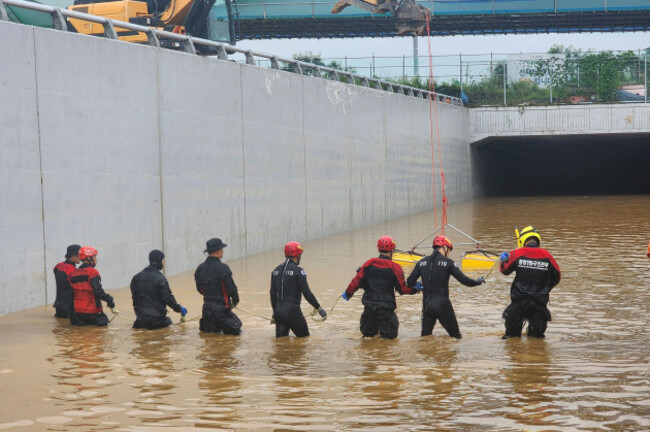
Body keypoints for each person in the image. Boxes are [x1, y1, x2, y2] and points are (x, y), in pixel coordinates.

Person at [406, 235, 485, 339]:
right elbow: (464, 280)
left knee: (425, 339)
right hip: (443, 305)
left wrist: (418, 286)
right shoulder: (448, 263)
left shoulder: (421, 262)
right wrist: (477, 282)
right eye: (449, 250)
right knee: (457, 338)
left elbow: (409, 281)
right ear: (444, 247)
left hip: (427, 307)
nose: (449, 253)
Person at [341, 236, 418, 339]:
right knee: (389, 342)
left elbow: (356, 282)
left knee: (368, 339)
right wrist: (416, 289)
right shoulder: (395, 267)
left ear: (378, 249)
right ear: (392, 250)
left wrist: (347, 294)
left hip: (369, 310)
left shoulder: (369, 263)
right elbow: (403, 290)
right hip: (386, 311)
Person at [499, 226, 561, 339]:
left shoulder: (516, 253)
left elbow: (504, 270)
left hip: (519, 302)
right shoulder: (547, 255)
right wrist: (545, 288)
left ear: (523, 240)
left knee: (511, 338)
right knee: (537, 338)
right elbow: (557, 276)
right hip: (539, 303)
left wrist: (503, 261)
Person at [270, 241, 327, 338]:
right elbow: (307, 293)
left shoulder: (275, 271)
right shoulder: (299, 271)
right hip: (293, 312)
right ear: (298, 255)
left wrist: (275, 313)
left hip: (279, 312)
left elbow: (272, 295)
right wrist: (319, 308)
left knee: (281, 345)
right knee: (304, 340)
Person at [194, 238, 242, 335]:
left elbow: (200, 289)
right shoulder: (223, 268)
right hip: (222, 311)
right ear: (218, 252)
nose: (222, 251)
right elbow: (232, 289)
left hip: (207, 311)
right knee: (236, 333)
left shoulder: (200, 268)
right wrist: (234, 302)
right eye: (222, 249)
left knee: (211, 340)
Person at [130, 249, 187, 329]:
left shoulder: (136, 278)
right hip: (157, 321)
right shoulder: (161, 279)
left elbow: (135, 299)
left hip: (140, 321)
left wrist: (139, 315)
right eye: (163, 260)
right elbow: (168, 299)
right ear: (160, 261)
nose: (164, 263)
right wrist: (180, 309)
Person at [68, 246, 116, 326]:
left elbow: (70, 295)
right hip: (93, 312)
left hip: (77, 313)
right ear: (89, 258)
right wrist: (109, 300)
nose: (96, 259)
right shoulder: (92, 272)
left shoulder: (72, 274)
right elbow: (98, 291)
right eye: (95, 256)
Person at [53, 244, 81, 318]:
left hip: (58, 305)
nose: (81, 258)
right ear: (74, 256)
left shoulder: (57, 266)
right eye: (80, 255)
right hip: (70, 306)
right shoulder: (73, 271)